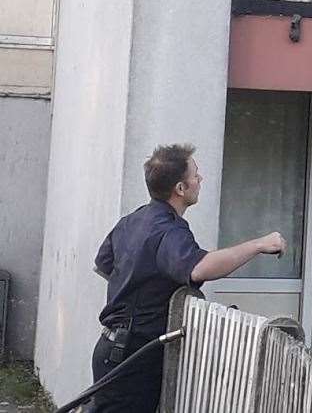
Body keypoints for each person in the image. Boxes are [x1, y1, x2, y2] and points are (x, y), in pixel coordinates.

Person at [90, 143, 286, 412]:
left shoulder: (133, 220)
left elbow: (104, 267)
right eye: (195, 174)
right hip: (133, 355)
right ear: (180, 189)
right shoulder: (169, 231)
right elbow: (200, 268)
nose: (200, 179)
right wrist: (259, 245)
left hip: (112, 348)